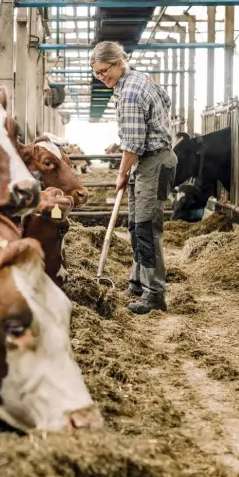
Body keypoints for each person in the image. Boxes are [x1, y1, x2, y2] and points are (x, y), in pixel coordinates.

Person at [90, 41, 177, 314]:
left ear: (119, 63)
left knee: (147, 230)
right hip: (152, 161)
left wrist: (121, 173)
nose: (102, 77)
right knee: (137, 228)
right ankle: (138, 283)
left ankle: (155, 294)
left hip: (152, 161)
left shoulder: (128, 94)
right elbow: (166, 100)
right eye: (97, 74)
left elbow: (133, 145)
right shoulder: (140, 80)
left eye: (105, 71)